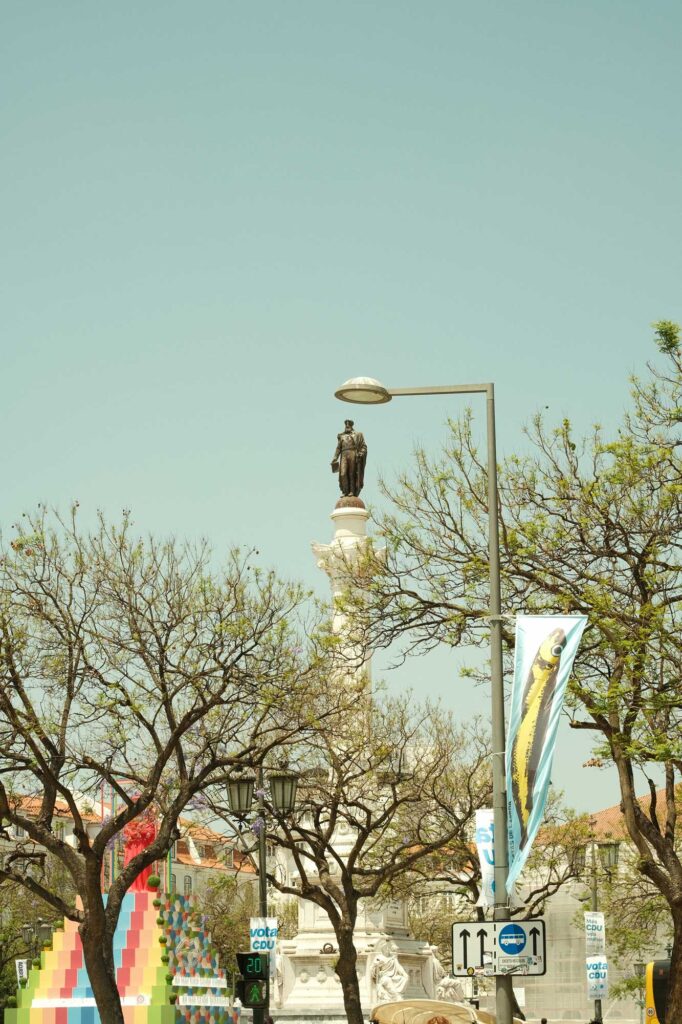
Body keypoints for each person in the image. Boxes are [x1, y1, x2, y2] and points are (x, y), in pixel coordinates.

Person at [331, 420, 367, 497]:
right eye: (346, 425)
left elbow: (364, 446)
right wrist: (335, 458)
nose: (347, 427)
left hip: (353, 453)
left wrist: (361, 453)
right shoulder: (342, 436)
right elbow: (338, 448)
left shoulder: (358, 435)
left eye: (349, 425)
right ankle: (345, 490)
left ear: (351, 426)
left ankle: (352, 491)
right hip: (344, 454)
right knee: (343, 473)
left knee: (352, 473)